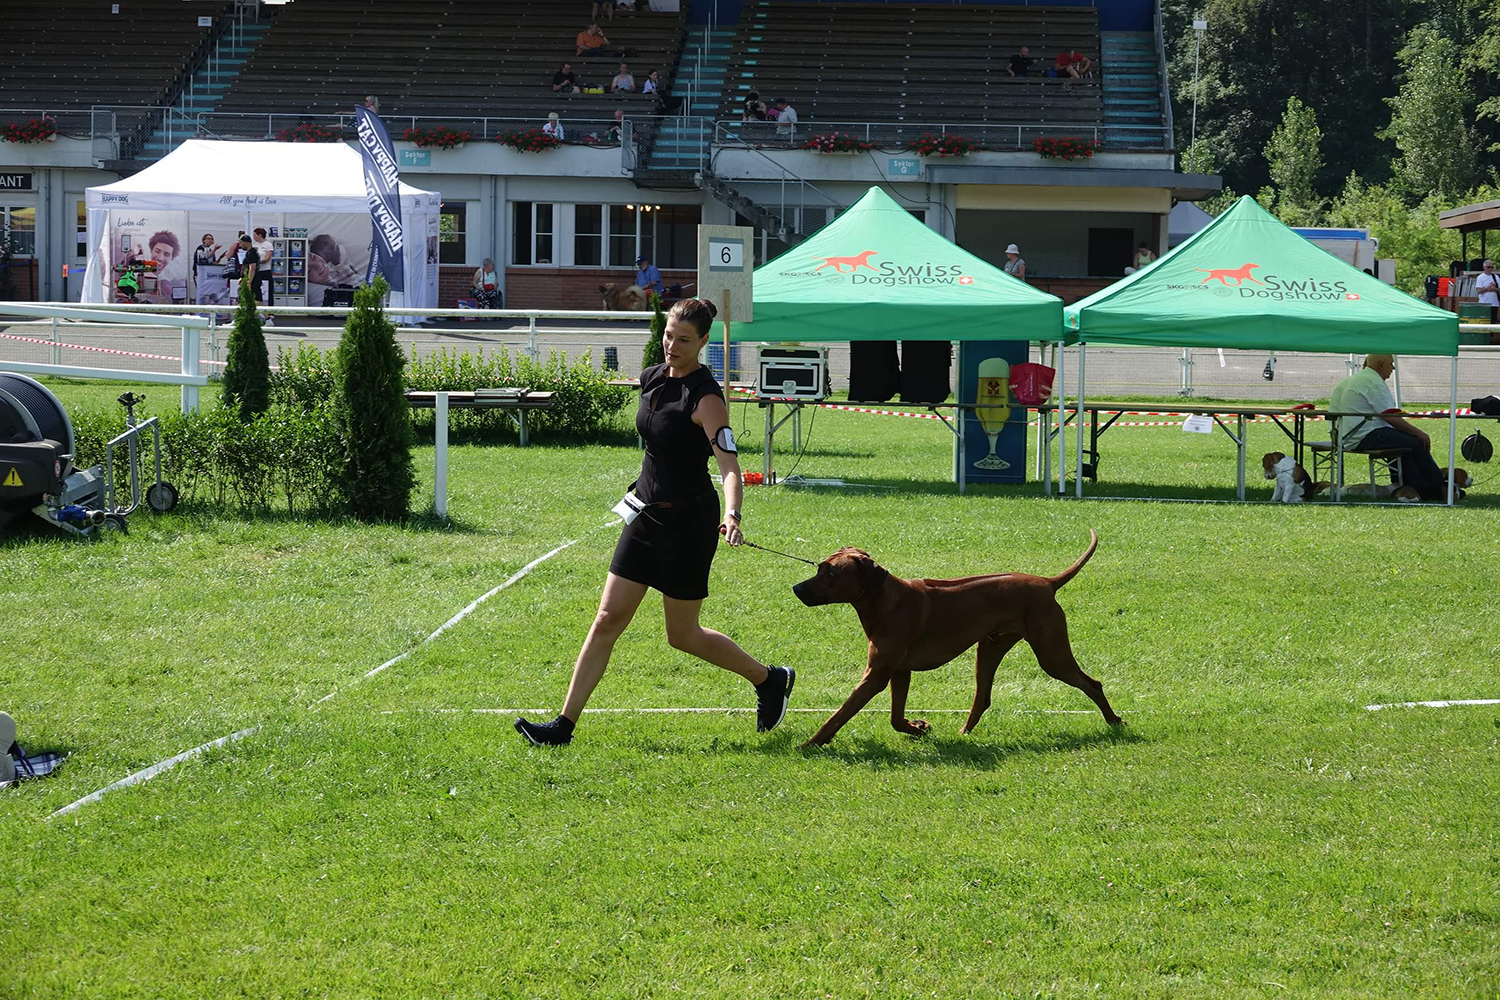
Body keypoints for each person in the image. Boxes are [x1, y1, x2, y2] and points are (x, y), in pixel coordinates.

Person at [514, 299, 795, 746]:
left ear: (703, 342)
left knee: (682, 635)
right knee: (606, 618)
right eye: (668, 335)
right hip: (643, 515)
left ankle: (768, 680)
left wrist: (733, 513)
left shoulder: (706, 398)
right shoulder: (651, 379)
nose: (671, 346)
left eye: (683, 340)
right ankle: (562, 727)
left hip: (688, 526)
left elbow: (729, 468)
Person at [1329, 353, 1447, 502]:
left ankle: (1407, 487)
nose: (1393, 368)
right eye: (1391, 364)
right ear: (1381, 365)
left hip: (1347, 436)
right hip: (1365, 435)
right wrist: (1420, 433)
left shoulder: (1356, 380)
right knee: (1416, 443)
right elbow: (1389, 416)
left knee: (1404, 443)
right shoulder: (1373, 382)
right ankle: (1437, 488)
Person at [233, 234, 261, 304]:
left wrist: (249, 282)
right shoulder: (249, 252)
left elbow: (252, 268)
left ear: (246, 242)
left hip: (253, 280)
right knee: (250, 300)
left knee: (256, 300)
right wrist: (242, 277)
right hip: (249, 278)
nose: (240, 245)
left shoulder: (251, 253)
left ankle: (268, 315)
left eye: (241, 243)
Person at [252, 227, 275, 313]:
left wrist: (258, 262)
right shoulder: (254, 245)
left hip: (265, 271)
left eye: (255, 235)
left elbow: (267, 258)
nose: (254, 237)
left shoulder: (268, 245)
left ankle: (270, 311)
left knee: (268, 291)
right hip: (256, 271)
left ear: (260, 235)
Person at [1476, 259, 1499, 324]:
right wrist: (1487, 289)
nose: (1490, 269)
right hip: (1484, 303)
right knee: (1484, 321)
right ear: (1484, 268)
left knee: (1493, 322)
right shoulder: (1480, 277)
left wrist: (1494, 289)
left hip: (1494, 304)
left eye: (1492, 267)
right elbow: (1479, 290)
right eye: (1488, 267)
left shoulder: (1496, 277)